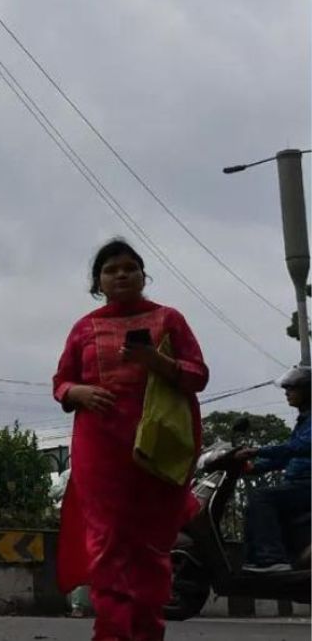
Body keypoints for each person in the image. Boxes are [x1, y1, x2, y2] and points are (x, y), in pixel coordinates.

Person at [53, 238, 208, 641]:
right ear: (98, 282)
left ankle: (147, 630)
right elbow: (60, 382)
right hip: (100, 448)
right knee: (106, 539)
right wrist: (78, 393)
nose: (121, 274)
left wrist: (156, 362)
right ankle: (111, 631)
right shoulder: (84, 327)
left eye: (129, 267)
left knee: (152, 544)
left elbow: (198, 376)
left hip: (157, 447)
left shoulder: (169, 319)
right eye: (111, 270)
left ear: (143, 275)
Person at [234, 365, 311, 573]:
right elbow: (288, 457)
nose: (287, 393)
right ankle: (257, 559)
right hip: (299, 483)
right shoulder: (304, 421)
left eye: (292, 388)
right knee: (258, 503)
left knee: (261, 498)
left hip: (307, 485)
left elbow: (300, 447)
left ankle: (271, 559)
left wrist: (257, 451)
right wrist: (254, 468)